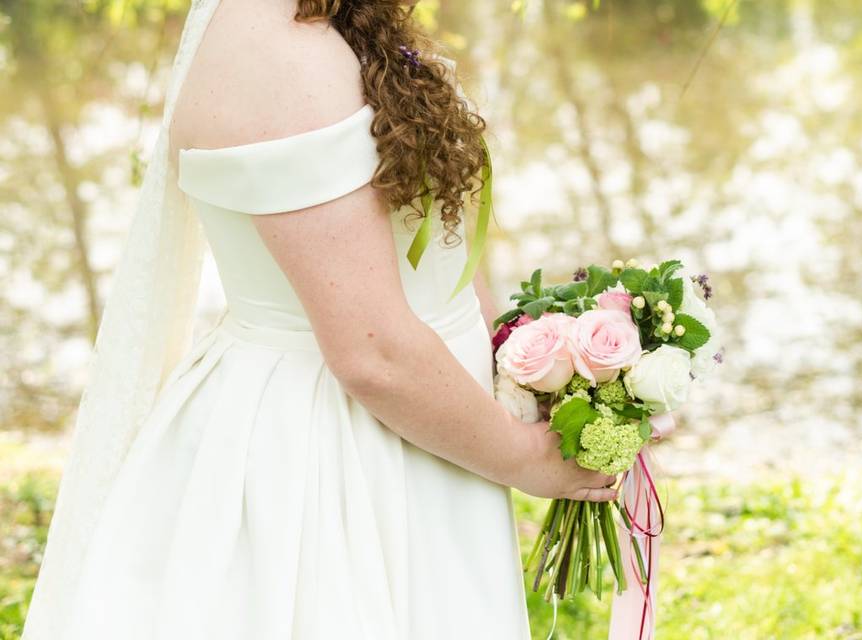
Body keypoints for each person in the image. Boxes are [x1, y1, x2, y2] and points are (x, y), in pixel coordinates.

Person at [23, 1, 620, 638]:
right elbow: (374, 353)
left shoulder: (341, 18)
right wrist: (524, 459)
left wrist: (525, 357)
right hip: (334, 445)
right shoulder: (284, 58)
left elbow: (438, 236)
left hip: (434, 414)